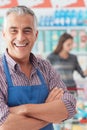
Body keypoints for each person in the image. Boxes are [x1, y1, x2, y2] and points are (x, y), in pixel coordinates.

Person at [0, 6, 76, 130]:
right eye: (13, 30)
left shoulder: (45, 67)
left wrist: (25, 109)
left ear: (35, 35)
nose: (20, 37)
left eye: (27, 30)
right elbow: (5, 125)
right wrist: (49, 111)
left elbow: (69, 106)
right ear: (4, 34)